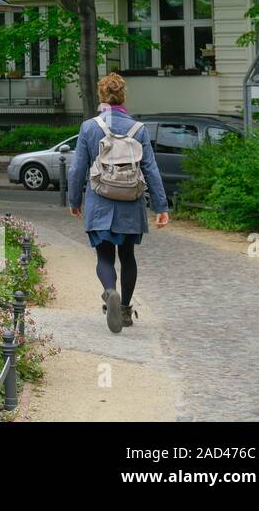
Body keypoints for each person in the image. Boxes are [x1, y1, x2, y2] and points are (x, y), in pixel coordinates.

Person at [66, 72, 169, 333]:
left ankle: (109, 291)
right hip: (130, 203)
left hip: (100, 201)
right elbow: (151, 169)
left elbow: (77, 167)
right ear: (123, 96)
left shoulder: (90, 127)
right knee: (128, 256)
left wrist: (74, 199)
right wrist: (161, 206)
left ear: (102, 96)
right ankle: (124, 309)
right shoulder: (139, 129)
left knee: (104, 255)